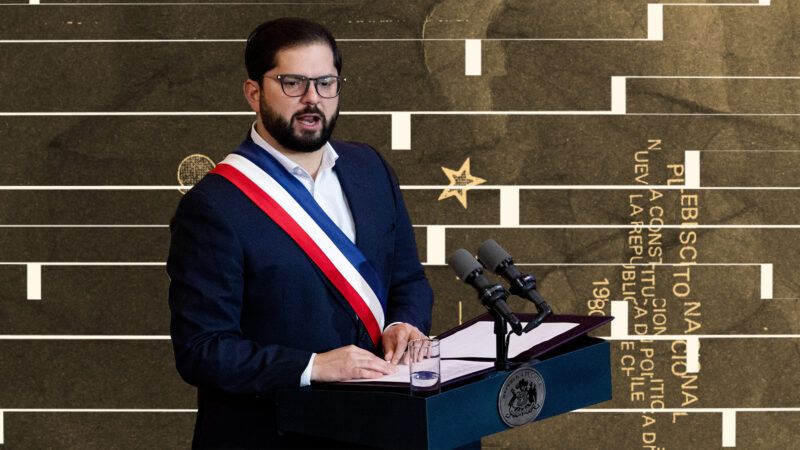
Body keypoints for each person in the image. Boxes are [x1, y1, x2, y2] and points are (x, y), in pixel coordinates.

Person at [167, 17, 434, 449]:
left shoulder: (370, 168)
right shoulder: (214, 206)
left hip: (379, 427)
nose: (313, 99)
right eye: (293, 83)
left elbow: (408, 280)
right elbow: (202, 350)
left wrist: (405, 322)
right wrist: (312, 366)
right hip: (273, 433)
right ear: (254, 93)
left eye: (326, 82)